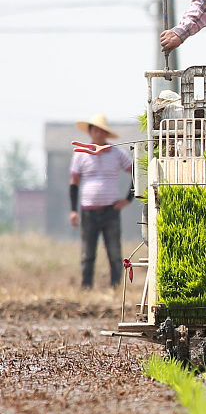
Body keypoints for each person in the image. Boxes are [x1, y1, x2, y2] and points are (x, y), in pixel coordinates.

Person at [69, 113, 133, 290]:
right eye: (95, 130)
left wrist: (128, 199)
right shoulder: (81, 155)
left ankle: (116, 287)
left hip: (110, 210)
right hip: (88, 211)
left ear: (106, 134)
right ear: (90, 132)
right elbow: (73, 183)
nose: (98, 134)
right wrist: (73, 210)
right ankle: (86, 287)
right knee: (87, 253)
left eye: (101, 131)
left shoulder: (117, 153)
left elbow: (136, 172)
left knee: (114, 251)